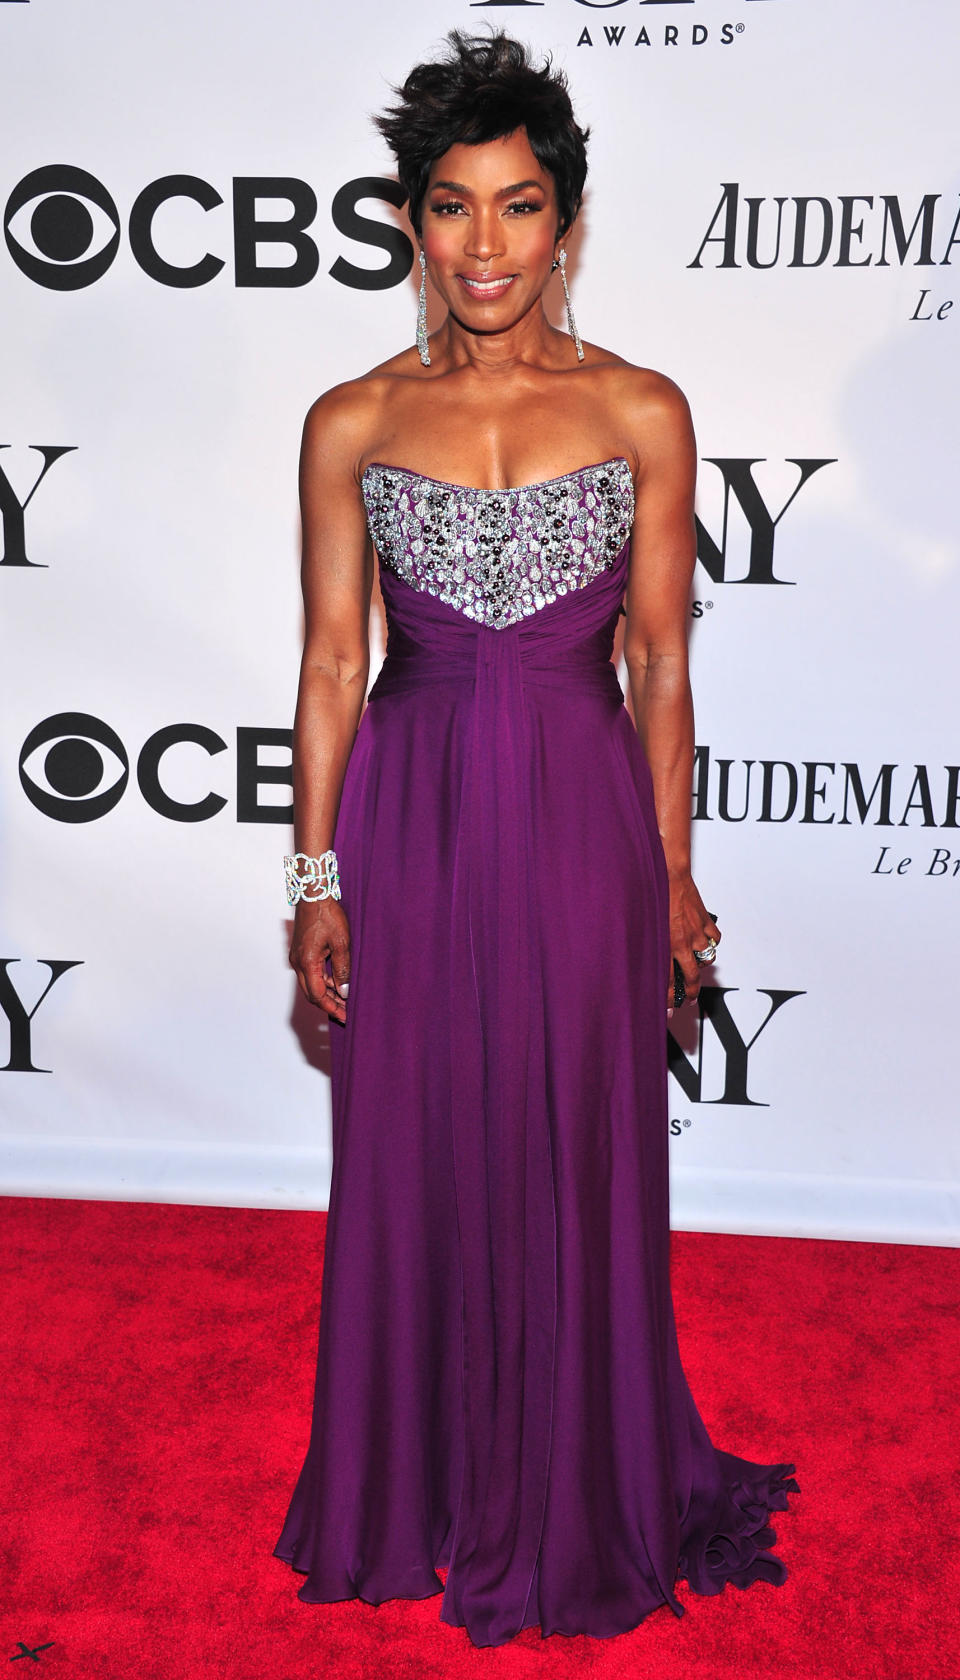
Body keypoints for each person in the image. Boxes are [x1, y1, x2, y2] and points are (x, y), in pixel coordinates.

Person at [273, 27, 798, 1649]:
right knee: (418, 1145)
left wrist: (677, 882)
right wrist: (314, 873)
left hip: (580, 818)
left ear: (568, 220)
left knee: (574, 1146)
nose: (485, 245)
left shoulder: (643, 408)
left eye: (518, 205)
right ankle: (417, 1485)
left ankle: (582, 1486)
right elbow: (330, 662)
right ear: (411, 223)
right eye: (452, 206)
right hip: (412, 819)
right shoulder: (349, 418)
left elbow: (658, 668)